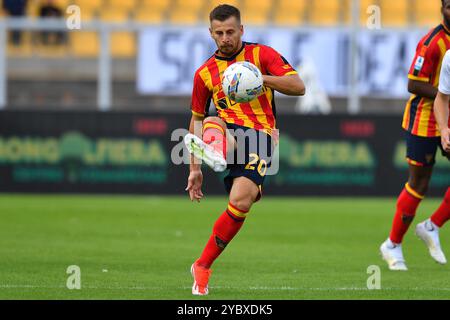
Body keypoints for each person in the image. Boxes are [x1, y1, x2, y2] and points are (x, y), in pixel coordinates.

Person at [184, 4, 305, 295]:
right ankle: (214, 151)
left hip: (262, 136)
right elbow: (195, 120)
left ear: (242, 29)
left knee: (241, 200)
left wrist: (260, 78)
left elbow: (298, 86)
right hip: (225, 129)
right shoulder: (204, 74)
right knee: (213, 119)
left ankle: (201, 264)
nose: (225, 38)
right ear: (211, 33)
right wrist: (194, 169)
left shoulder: (262, 55)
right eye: (219, 33)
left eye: (230, 31)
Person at [380, 0, 450, 271]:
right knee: (419, 184)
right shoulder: (432, 42)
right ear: (442, 8)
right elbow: (413, 83)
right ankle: (393, 244)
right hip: (424, 120)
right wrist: (445, 92)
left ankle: (432, 226)